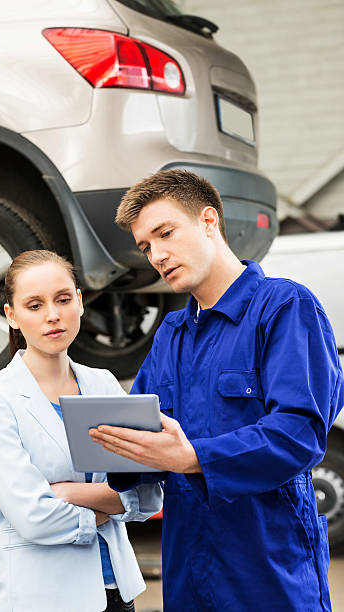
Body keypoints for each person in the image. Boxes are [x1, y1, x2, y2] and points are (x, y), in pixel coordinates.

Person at [89, 169, 344, 611]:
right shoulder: (171, 335)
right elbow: (146, 450)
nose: (158, 255)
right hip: (189, 572)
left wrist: (190, 458)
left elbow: (299, 434)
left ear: (209, 221)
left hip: (269, 572)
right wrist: (108, 448)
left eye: (166, 233)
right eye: (147, 247)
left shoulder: (284, 307)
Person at [0, 249, 163, 612]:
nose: (53, 315)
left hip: (117, 592)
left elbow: (150, 495)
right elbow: (33, 517)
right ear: (11, 316)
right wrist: (112, 502)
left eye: (62, 299)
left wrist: (66, 491)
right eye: (34, 305)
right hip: (43, 597)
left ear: (80, 301)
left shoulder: (102, 384)